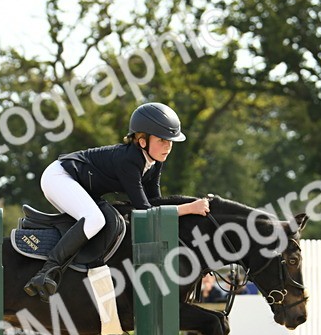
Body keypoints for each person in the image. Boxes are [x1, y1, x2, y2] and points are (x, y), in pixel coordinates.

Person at [24, 102, 209, 301]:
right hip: (59, 177)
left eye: (170, 141)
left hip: (79, 185)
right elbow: (145, 210)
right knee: (95, 219)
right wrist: (189, 208)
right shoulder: (129, 159)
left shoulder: (155, 162)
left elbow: (155, 201)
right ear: (142, 140)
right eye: (162, 140)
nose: (168, 146)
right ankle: (46, 271)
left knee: (106, 220)